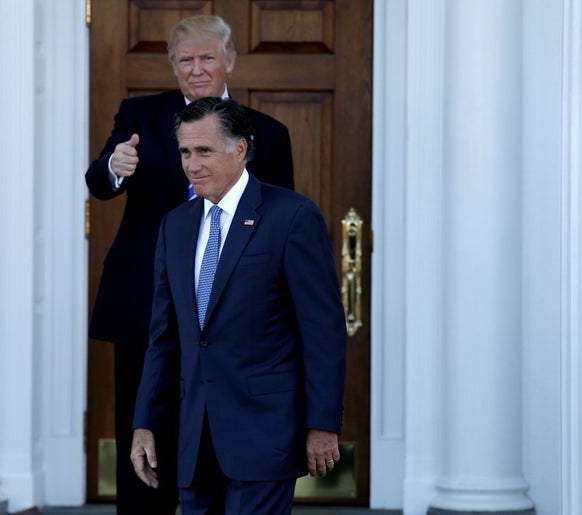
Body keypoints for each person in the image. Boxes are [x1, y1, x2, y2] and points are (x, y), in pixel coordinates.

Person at [85, 15, 294, 515]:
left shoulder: (265, 133)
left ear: (229, 62)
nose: (196, 69)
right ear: (173, 65)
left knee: (223, 432)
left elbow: (282, 224)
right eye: (186, 60)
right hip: (147, 305)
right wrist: (114, 168)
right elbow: (97, 181)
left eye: (207, 58)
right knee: (144, 434)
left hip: (233, 310)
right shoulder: (138, 116)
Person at [130, 97, 347, 514]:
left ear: (240, 148)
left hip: (265, 433)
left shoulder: (292, 216)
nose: (192, 164)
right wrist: (145, 422)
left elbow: (322, 331)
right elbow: (165, 337)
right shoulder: (175, 225)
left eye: (204, 151)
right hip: (194, 439)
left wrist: (322, 425)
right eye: (185, 153)